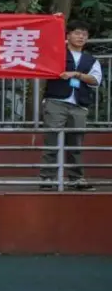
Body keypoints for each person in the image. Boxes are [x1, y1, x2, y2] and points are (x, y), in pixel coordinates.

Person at [40, 20, 102, 190]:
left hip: (79, 105)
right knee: (52, 140)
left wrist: (77, 74)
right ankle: (47, 178)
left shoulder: (91, 60)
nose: (81, 37)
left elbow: (96, 80)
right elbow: (42, 62)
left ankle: (76, 178)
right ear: (68, 36)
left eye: (84, 34)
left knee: (76, 143)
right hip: (56, 101)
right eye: (77, 33)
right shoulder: (56, 53)